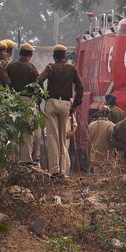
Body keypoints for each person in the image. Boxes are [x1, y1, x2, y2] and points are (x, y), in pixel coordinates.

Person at [38, 44, 84, 177]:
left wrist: (43, 96)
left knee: (52, 137)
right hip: (65, 104)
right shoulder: (72, 68)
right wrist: (75, 105)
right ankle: (63, 170)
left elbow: (39, 80)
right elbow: (80, 88)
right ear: (65, 56)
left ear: (54, 56)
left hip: (51, 103)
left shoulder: (50, 67)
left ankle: (54, 170)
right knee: (63, 138)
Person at [7, 43, 41, 164]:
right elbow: (38, 86)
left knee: (13, 129)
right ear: (30, 55)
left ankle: (12, 157)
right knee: (27, 130)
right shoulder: (31, 68)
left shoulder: (10, 66)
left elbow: (7, 82)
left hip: (13, 99)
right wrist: (38, 100)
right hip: (27, 101)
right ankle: (25, 158)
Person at [86, 106, 116, 174]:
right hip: (107, 159)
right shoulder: (112, 126)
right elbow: (113, 143)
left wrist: (89, 156)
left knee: (95, 180)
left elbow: (88, 143)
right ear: (108, 114)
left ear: (99, 113)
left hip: (94, 158)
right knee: (106, 181)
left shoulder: (91, 125)